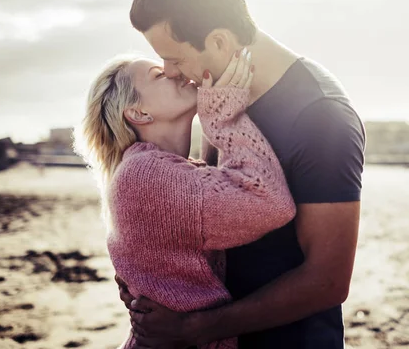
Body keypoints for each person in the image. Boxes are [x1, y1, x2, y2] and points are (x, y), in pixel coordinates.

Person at [120, 0, 366, 349]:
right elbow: (209, 212)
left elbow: (328, 280)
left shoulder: (321, 117)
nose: (167, 71)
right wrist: (146, 275)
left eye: (175, 58)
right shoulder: (217, 95)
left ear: (218, 41)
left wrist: (194, 329)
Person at [75, 50, 296, 349]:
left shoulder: (152, 169)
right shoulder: (148, 174)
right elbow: (272, 204)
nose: (174, 71)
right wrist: (224, 116)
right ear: (139, 113)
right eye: (158, 75)